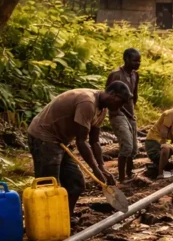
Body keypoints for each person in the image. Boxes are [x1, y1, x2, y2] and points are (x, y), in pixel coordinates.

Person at [27, 84, 130, 215]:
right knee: (49, 187)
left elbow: (94, 141)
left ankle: (65, 217)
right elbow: (81, 142)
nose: (120, 107)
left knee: (76, 184)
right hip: (43, 137)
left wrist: (102, 166)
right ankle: (47, 221)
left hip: (61, 141)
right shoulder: (87, 102)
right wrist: (95, 170)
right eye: (120, 102)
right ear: (112, 94)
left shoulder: (102, 109)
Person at [106, 48, 140, 183]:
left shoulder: (135, 75)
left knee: (134, 148)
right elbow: (108, 97)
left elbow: (134, 94)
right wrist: (126, 112)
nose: (138, 63)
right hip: (117, 114)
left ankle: (129, 173)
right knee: (127, 145)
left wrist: (132, 111)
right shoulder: (116, 75)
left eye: (139, 61)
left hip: (130, 114)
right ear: (126, 59)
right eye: (135, 60)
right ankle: (121, 178)